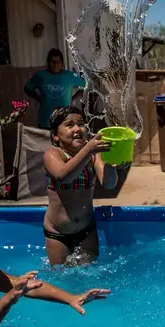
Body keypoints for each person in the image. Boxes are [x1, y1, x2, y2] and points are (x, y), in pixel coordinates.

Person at [43, 106, 130, 266]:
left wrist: (112, 164)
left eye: (81, 123)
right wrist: (88, 150)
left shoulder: (93, 155)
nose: (77, 129)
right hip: (57, 232)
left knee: (90, 275)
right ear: (55, 136)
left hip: (86, 230)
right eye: (69, 125)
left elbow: (109, 184)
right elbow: (63, 176)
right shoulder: (53, 155)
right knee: (62, 277)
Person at [24, 48, 86, 130]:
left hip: (64, 119)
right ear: (48, 63)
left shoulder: (70, 76)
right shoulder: (40, 76)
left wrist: (73, 98)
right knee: (46, 142)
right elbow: (27, 88)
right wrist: (38, 98)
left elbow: (85, 85)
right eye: (52, 62)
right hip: (45, 120)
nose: (55, 64)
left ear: (62, 64)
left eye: (58, 62)